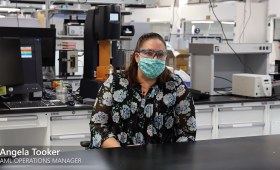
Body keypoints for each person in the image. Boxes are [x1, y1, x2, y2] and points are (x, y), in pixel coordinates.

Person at [89, 33, 196, 149]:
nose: (155, 59)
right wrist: (119, 152)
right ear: (137, 56)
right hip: (118, 159)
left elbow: (187, 132)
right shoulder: (114, 83)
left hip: (163, 161)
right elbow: (98, 126)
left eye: (160, 54)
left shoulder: (175, 85)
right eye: (149, 53)